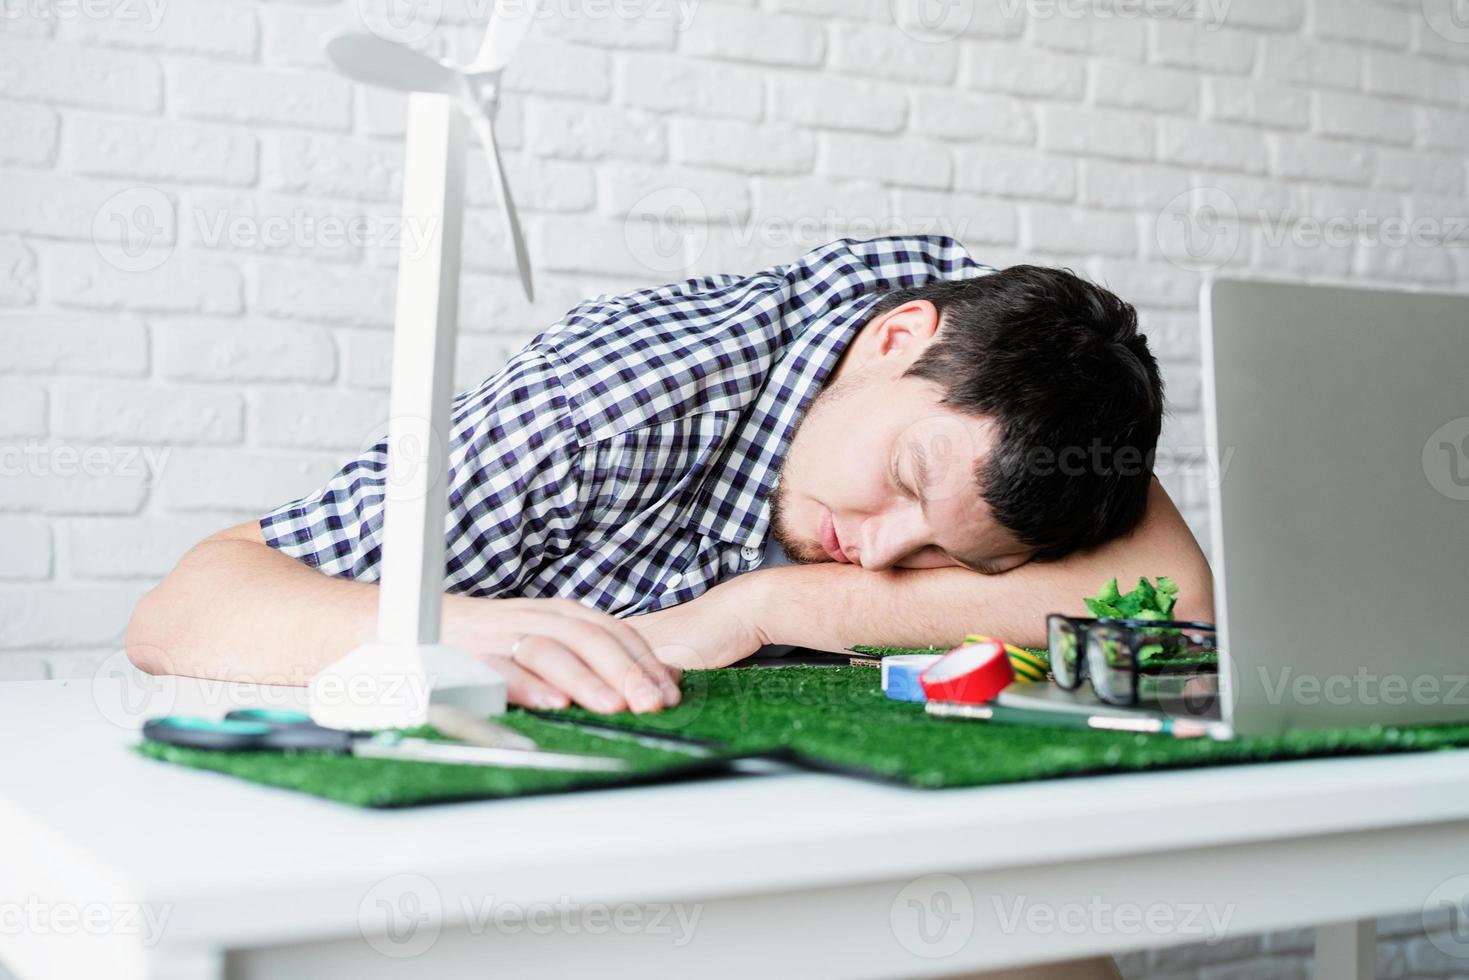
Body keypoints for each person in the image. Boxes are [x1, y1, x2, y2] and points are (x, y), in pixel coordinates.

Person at [127, 236, 1211, 716]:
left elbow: (1179, 606)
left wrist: (770, 602)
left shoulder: (1027, 391)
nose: (881, 554)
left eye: (939, 557)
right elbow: (184, 607)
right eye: (902, 484)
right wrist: (443, 629)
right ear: (891, 337)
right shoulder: (616, 398)